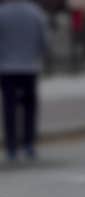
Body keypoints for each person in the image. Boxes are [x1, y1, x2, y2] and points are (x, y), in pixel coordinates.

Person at [0, 0, 49, 163]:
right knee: (29, 106)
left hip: (6, 68)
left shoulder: (2, 13)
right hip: (30, 67)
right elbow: (45, 41)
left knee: (9, 107)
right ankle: (29, 143)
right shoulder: (36, 13)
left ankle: (11, 146)